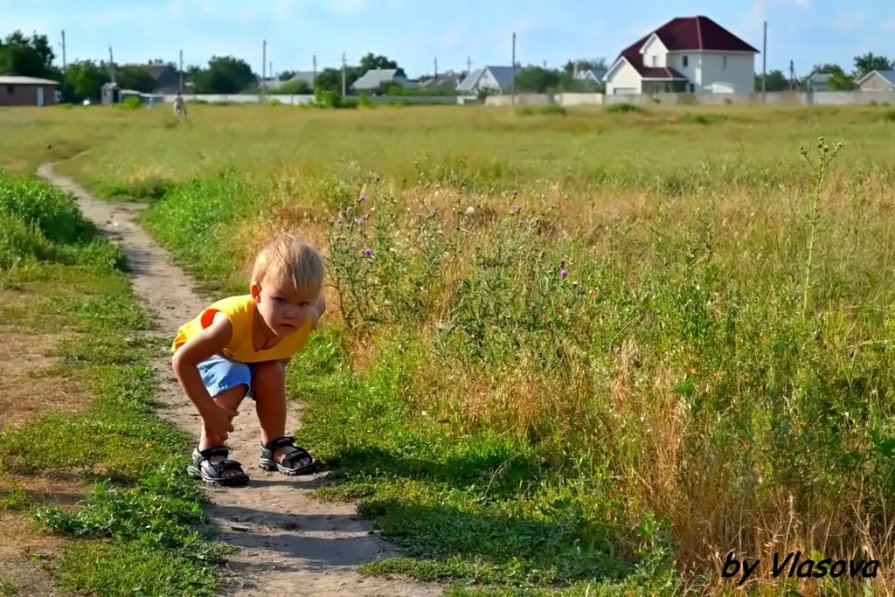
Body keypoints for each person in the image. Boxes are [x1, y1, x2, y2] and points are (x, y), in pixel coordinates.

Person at [172, 234, 326, 486]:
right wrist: (210, 412)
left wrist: (312, 309)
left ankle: (274, 444)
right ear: (256, 292)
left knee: (272, 372)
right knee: (234, 376)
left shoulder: (307, 316)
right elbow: (182, 360)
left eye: (302, 303)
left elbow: (319, 302)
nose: (291, 312)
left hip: (252, 353)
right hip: (210, 351)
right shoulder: (229, 324)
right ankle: (208, 452)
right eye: (280, 300)